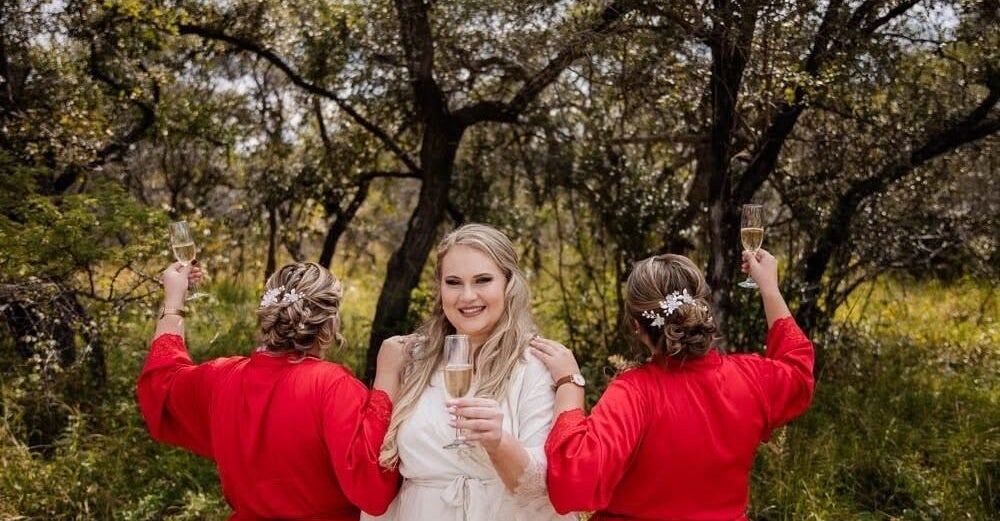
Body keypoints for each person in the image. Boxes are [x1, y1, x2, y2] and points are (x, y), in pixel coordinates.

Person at [530, 249, 815, 520]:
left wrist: (570, 383)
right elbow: (798, 371)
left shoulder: (633, 394)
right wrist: (770, 289)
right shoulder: (751, 378)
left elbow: (573, 484)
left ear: (634, 325)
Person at [137, 261, 401, 521]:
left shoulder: (221, 377)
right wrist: (387, 377)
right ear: (329, 326)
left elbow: (162, 384)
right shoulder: (333, 387)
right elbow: (373, 488)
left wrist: (173, 299)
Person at [363, 223, 575, 521]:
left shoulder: (535, 364)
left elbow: (542, 488)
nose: (467, 296)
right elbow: (380, 474)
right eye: (453, 282)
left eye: (483, 280)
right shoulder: (412, 360)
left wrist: (499, 442)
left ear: (508, 283)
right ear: (440, 288)